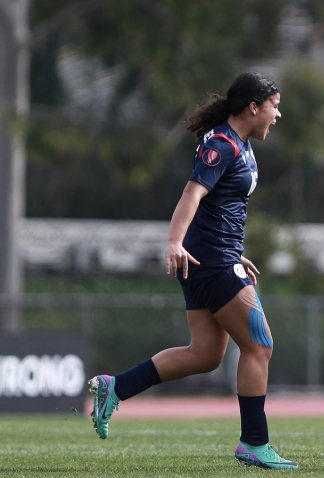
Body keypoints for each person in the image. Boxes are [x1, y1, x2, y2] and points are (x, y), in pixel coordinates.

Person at [87, 72, 298, 470]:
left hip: (215, 257)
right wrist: (173, 242)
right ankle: (254, 442)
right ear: (254, 107)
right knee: (260, 345)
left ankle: (116, 387)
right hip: (210, 261)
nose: (278, 114)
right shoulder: (222, 144)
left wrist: (237, 252)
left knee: (204, 354)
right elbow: (193, 193)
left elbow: (221, 208)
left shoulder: (240, 144)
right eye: (274, 105)